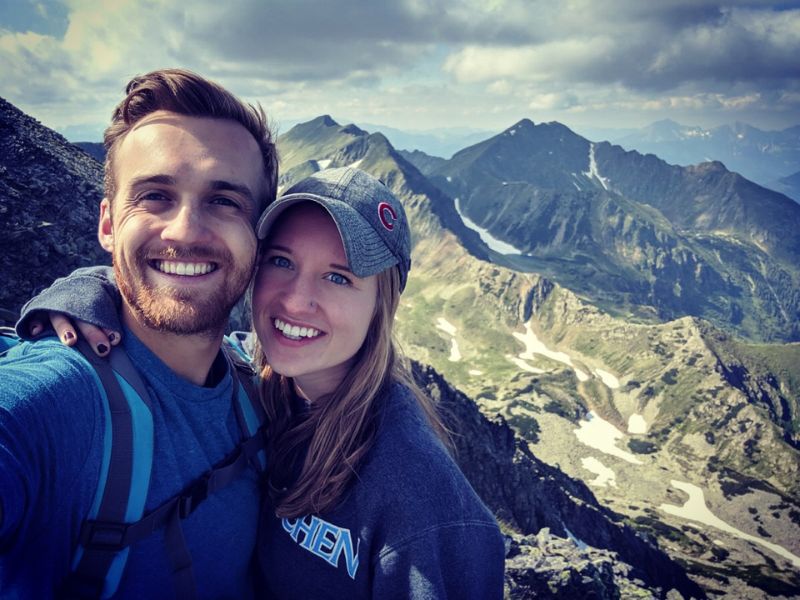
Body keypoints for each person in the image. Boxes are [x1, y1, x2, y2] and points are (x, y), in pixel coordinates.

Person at [19, 168, 507, 598]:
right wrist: (94, 291)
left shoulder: (424, 505)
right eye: (281, 261)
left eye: (338, 278)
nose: (296, 301)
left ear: (383, 304)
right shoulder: (253, 383)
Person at [0, 68, 279, 598]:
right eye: (154, 195)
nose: (184, 231)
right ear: (108, 224)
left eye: (225, 201)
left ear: (259, 239)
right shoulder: (54, 400)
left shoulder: (261, 388)